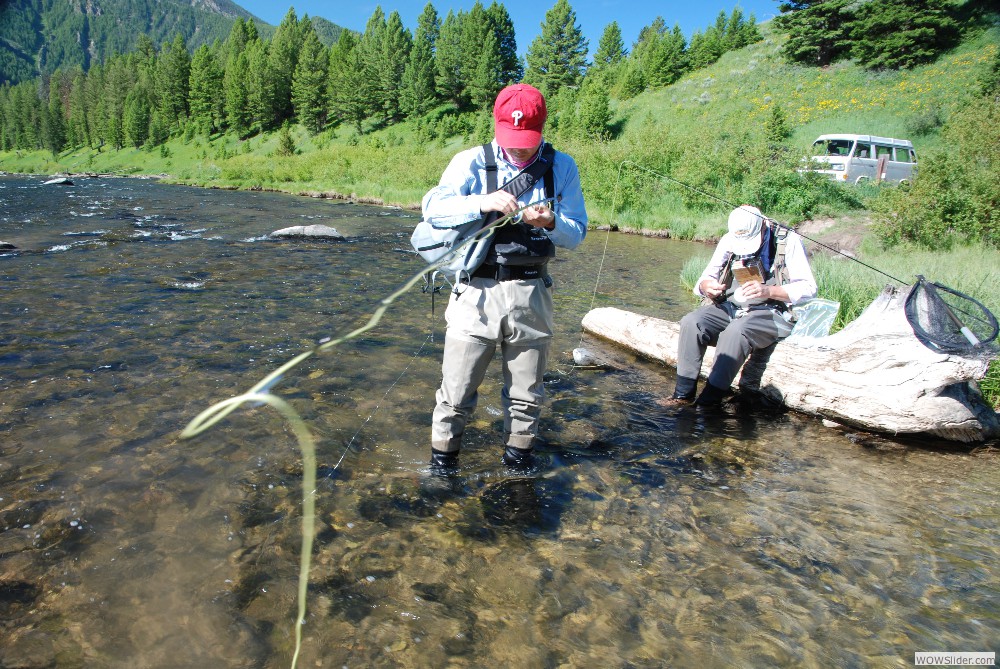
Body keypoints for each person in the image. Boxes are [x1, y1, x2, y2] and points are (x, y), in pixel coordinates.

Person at [421, 83, 588, 470]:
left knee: (527, 395)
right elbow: (433, 210)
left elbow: (576, 234)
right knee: (456, 392)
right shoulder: (470, 162)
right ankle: (442, 470)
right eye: (511, 139)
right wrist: (482, 202)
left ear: (543, 128)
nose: (518, 147)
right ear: (496, 125)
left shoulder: (562, 166)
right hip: (476, 292)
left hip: (532, 291)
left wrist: (550, 223)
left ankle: (517, 469)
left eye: (527, 140)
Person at [664, 205, 817, 407]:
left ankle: (708, 403)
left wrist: (768, 291)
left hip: (772, 312)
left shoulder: (788, 241)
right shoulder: (730, 239)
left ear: (763, 224)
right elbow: (704, 279)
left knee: (735, 332)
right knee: (692, 322)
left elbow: (809, 288)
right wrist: (706, 287)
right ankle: (682, 396)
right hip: (732, 307)